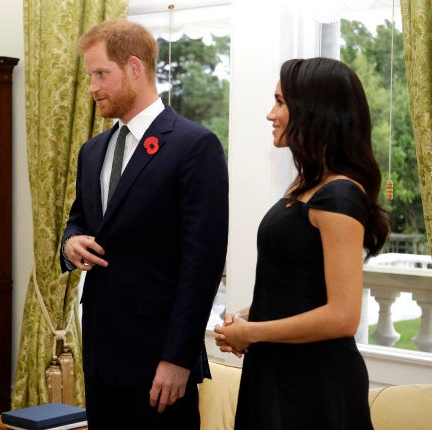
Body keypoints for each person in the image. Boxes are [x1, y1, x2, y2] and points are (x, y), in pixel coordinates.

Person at [60, 19, 229, 429]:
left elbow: (202, 265)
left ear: (135, 68)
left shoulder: (194, 146)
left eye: (101, 74)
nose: (92, 87)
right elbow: (78, 221)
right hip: (101, 358)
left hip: (160, 364)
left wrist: (177, 358)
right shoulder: (92, 151)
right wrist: (69, 245)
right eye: (90, 76)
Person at [215, 57, 390, 429]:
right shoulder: (307, 187)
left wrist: (253, 332)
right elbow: (300, 288)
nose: (270, 114)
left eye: (280, 102)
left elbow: (343, 317)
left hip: (313, 383)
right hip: (279, 372)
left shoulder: (339, 195)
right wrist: (248, 316)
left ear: (313, 110)